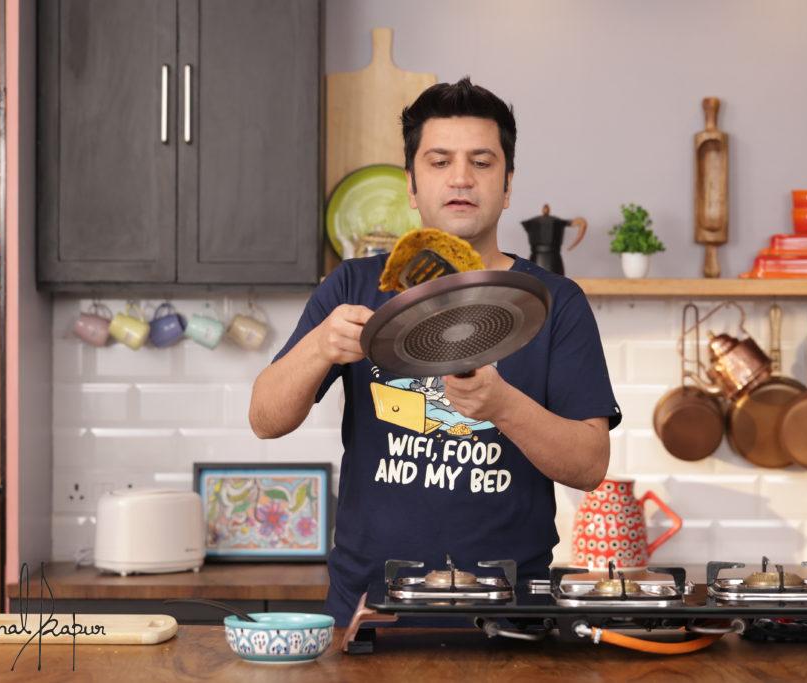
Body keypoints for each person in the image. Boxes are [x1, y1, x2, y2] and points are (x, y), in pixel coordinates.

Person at [249, 77, 622, 626]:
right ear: (412, 183)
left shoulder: (554, 301)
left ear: (509, 183)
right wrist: (320, 346)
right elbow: (264, 419)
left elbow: (590, 466)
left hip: (511, 613)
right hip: (370, 609)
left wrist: (502, 406)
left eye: (482, 162)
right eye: (440, 160)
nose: (462, 179)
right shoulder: (354, 286)